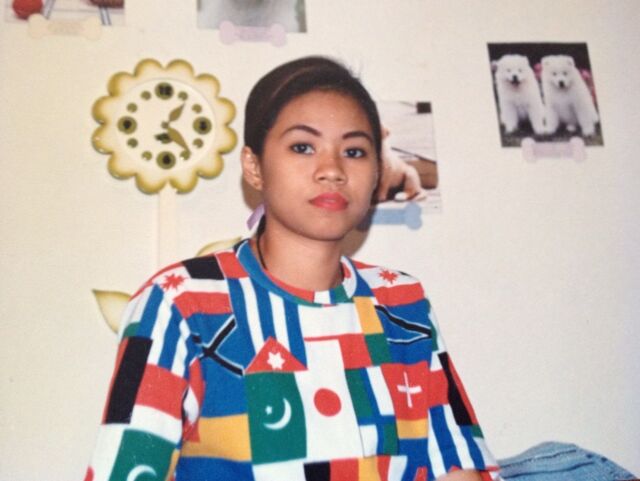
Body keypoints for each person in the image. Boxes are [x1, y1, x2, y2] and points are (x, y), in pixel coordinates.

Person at [84, 56, 499, 481]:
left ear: (377, 172)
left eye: (354, 151)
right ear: (254, 166)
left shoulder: (401, 302)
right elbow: (127, 470)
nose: (332, 170)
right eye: (303, 147)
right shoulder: (181, 302)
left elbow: (460, 467)